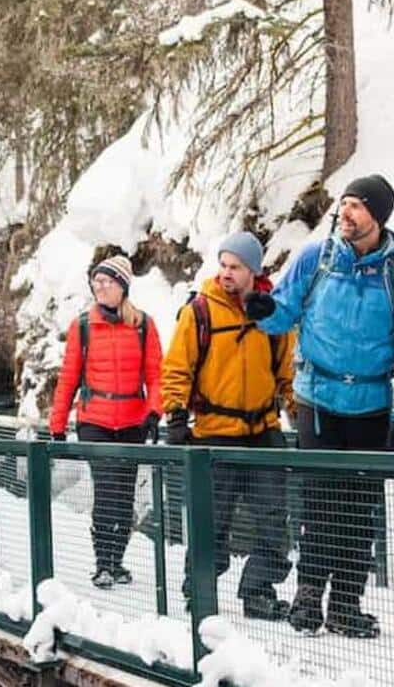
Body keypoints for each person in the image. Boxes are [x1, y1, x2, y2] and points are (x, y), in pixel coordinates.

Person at [247, 175, 394, 638]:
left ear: (378, 216)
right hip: (319, 401)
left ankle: (346, 604)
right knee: (319, 503)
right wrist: (264, 311)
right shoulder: (316, 258)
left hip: (370, 405)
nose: (345, 213)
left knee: (360, 508)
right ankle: (308, 599)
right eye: (343, 204)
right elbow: (286, 312)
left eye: (356, 206)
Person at [160, 232, 296, 620]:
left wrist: (297, 413)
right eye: (222, 264)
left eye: (234, 266)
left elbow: (287, 372)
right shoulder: (200, 311)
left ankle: (258, 590)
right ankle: (199, 588)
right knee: (212, 518)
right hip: (214, 432)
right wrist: (175, 415)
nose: (226, 273)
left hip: (262, 432)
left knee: (273, 517)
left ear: (253, 271)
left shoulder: (272, 314)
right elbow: (177, 367)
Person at [48, 253, 164, 588]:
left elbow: (157, 375)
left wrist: (154, 411)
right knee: (107, 489)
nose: (99, 287)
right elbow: (68, 378)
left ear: (122, 286)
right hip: (94, 421)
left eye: (106, 281)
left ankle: (117, 561)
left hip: (132, 422)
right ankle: (103, 562)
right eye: (96, 281)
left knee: (124, 493)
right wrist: (57, 427)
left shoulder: (143, 325)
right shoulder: (82, 326)